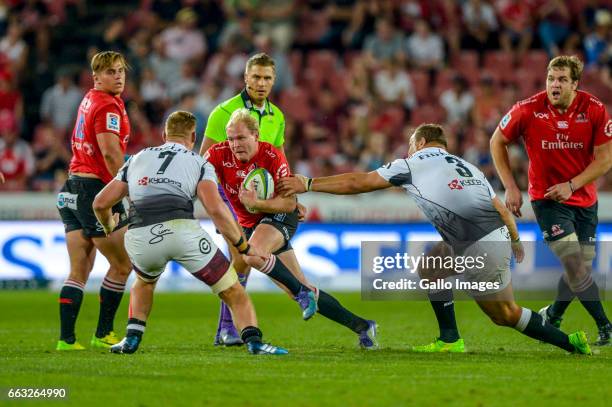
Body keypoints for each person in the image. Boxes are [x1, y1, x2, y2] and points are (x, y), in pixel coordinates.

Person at [278, 123, 592, 355]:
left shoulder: (413, 163)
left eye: (411, 144)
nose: (408, 151)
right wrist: (515, 241)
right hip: (489, 237)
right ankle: (450, 338)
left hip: (476, 243)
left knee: (505, 314)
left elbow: (360, 182)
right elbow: (500, 207)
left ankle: (570, 343)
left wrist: (309, 182)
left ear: (423, 142)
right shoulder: (469, 167)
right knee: (431, 267)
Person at [92, 111, 287, 355]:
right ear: (193, 136)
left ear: (164, 135)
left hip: (141, 235)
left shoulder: (138, 158)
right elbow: (215, 208)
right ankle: (255, 343)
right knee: (234, 291)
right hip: (182, 233)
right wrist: (242, 245)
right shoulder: (199, 162)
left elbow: (100, 203)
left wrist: (109, 225)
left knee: (144, 281)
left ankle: (131, 338)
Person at [205, 109, 378, 349]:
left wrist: (258, 204)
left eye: (241, 138)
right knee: (296, 284)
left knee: (252, 253)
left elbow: (289, 202)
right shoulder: (216, 154)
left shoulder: (272, 156)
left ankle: (298, 296)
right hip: (249, 223)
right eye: (231, 138)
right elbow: (199, 181)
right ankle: (362, 326)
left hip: (279, 215)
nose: (235, 144)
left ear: (255, 135)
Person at [490, 55, 612, 346]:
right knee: (574, 263)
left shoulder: (595, 110)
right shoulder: (528, 109)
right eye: (550, 79)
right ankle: (606, 326)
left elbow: (605, 160)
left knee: (580, 264)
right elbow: (497, 141)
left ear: (575, 84)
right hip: (546, 200)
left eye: (561, 80)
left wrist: (572, 185)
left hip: (583, 199)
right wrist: (511, 186)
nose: (554, 85)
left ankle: (554, 314)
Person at [200, 52, 298, 346]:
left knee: (244, 262)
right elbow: (204, 162)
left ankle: (226, 329)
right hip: (230, 200)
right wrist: (221, 203)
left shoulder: (277, 115)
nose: (261, 83)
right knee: (240, 262)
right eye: (255, 77)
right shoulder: (224, 112)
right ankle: (227, 329)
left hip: (260, 202)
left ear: (274, 80)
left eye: (267, 78)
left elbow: (277, 161)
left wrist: (289, 193)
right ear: (245, 78)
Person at [55, 51, 133, 351]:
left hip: (72, 187)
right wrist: (126, 188)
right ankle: (103, 333)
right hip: (94, 192)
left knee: (79, 270)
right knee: (122, 264)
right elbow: (111, 153)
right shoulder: (107, 105)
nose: (118, 76)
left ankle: (66, 340)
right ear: (96, 76)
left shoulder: (89, 98)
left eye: (121, 71)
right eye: (111, 71)